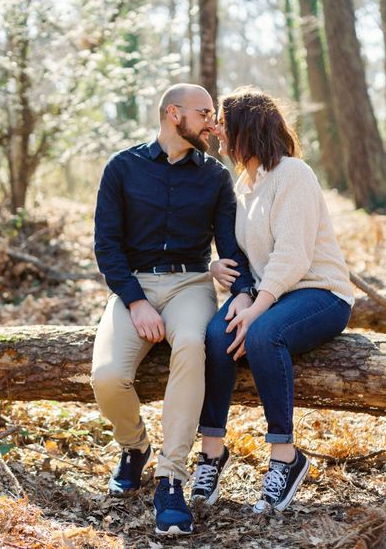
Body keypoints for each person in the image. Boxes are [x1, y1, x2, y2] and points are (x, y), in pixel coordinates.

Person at [92, 83, 254, 536]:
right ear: (172, 113)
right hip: (134, 286)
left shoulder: (216, 176)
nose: (212, 122)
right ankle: (134, 446)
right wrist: (137, 301)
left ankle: (170, 479)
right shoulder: (122, 168)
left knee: (189, 344)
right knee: (106, 377)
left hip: (191, 284)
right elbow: (107, 245)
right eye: (204, 112)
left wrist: (241, 289)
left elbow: (229, 246)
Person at [191, 87, 354, 513]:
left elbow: (293, 257)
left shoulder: (293, 174)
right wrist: (242, 297)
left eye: (223, 124)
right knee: (215, 334)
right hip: (268, 292)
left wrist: (256, 310)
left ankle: (285, 456)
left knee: (262, 336)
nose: (217, 132)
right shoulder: (244, 183)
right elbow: (239, 252)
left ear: (246, 126)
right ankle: (211, 451)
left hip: (319, 291)